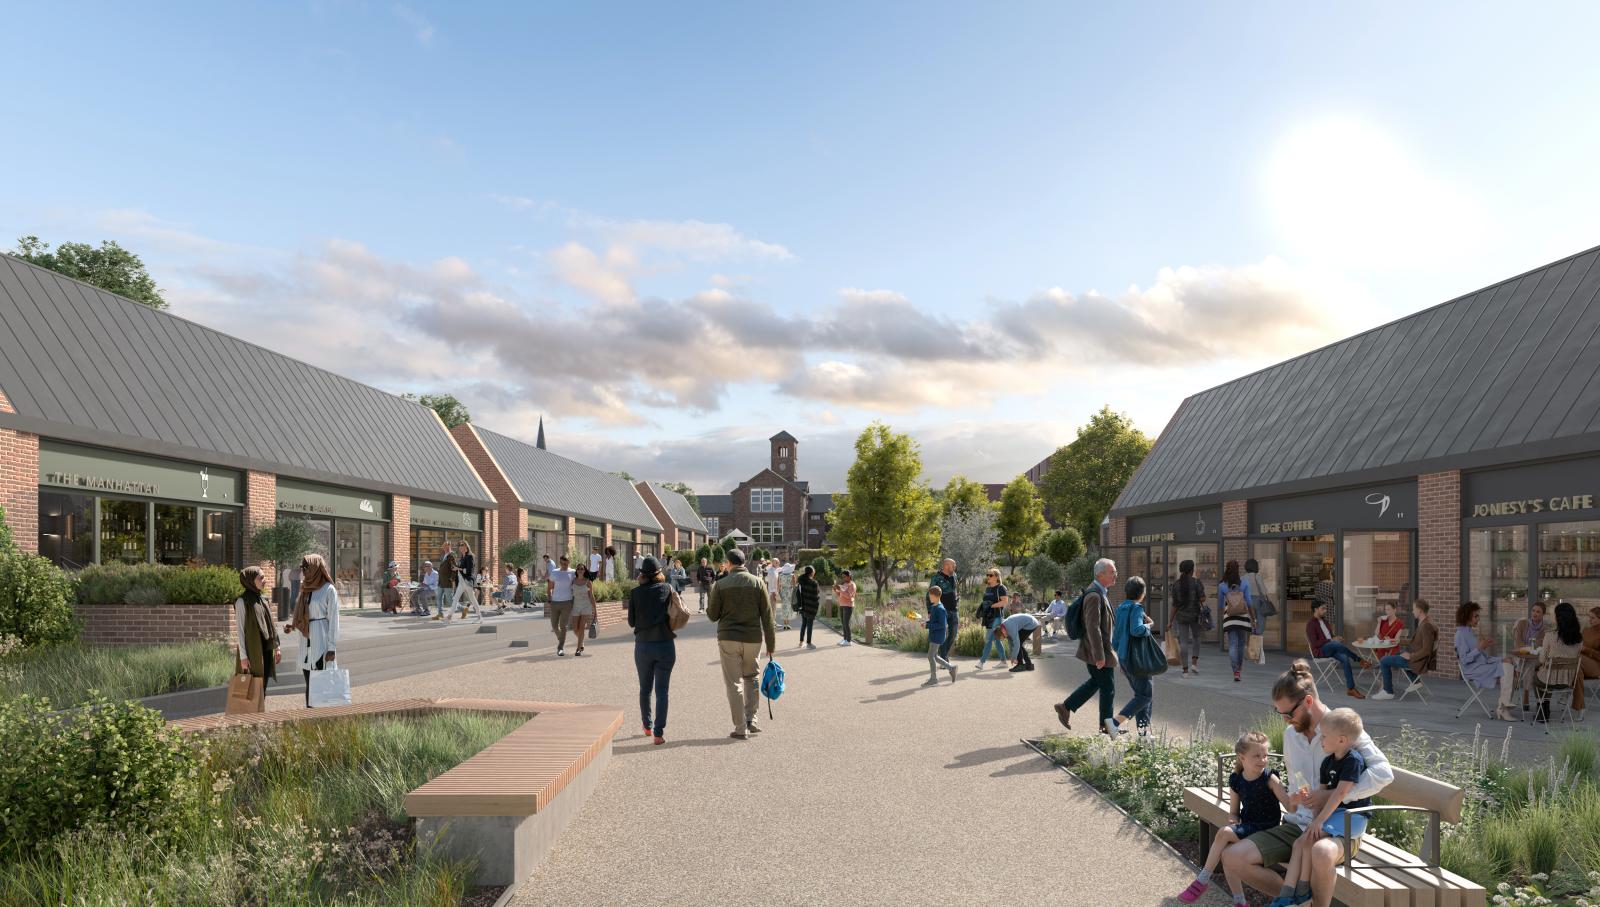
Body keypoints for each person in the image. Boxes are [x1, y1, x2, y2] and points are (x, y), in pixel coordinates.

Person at [1220, 661, 1393, 907]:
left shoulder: (1342, 727)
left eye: (1289, 714)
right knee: (1233, 858)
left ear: (1308, 702)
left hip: (1338, 827)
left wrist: (1335, 795)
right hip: (1299, 823)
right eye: (1280, 714)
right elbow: (1298, 778)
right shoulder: (1292, 735)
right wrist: (1297, 797)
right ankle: (1296, 900)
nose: (1286, 721)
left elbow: (1384, 773)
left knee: (1321, 852)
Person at [1269, 708, 1373, 907]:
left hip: (1351, 817)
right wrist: (1313, 820)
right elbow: (1321, 798)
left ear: (1341, 740)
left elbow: (1339, 794)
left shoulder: (1353, 761)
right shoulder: (1327, 762)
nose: (1321, 740)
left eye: (1324, 736)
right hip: (1331, 815)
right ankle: (1286, 895)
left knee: (1309, 842)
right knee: (1301, 842)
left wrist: (1319, 822)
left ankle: (1302, 893)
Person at [1179, 730, 1291, 903]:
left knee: (1224, 833)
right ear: (1242, 757)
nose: (1263, 760)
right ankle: (1240, 901)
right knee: (1227, 852)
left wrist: (1297, 799)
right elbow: (1233, 811)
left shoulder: (1270, 778)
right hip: (1248, 826)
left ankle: (1202, 880)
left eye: (1265, 755)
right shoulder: (1237, 780)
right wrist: (1233, 819)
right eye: (1257, 756)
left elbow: (1289, 805)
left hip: (1268, 829)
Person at [707, 549, 778, 739]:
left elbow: (712, 616)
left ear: (729, 563)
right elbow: (768, 617)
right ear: (744, 562)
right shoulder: (758, 583)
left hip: (729, 637)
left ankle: (740, 728)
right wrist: (771, 645)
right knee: (752, 677)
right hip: (752, 637)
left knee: (733, 683)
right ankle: (752, 719)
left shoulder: (720, 585)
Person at [1056, 558, 1119, 736]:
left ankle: (1066, 707)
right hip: (1097, 651)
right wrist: (1099, 655)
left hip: (1098, 649)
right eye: (1112, 572)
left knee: (1097, 683)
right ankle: (1106, 727)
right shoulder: (1094, 595)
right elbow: (1093, 627)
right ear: (1100, 574)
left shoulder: (1100, 592)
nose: (1116, 575)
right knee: (1108, 688)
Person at [628, 556, 677, 745]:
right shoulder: (666, 588)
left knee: (645, 689)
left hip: (643, 646)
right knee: (662, 690)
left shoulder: (635, 593)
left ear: (642, 574)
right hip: (665, 644)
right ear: (659, 572)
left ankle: (647, 725)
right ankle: (658, 733)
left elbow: (632, 622)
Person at [286, 553, 341, 708]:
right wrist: (293, 625)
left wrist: (332, 648)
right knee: (309, 682)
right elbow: (302, 613)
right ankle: (310, 716)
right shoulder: (306, 588)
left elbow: (334, 620)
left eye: (306, 567)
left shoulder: (329, 589)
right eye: (301, 567)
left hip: (321, 640)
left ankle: (321, 718)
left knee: (320, 682)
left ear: (316, 568)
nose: (303, 571)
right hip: (306, 639)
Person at [1454, 601, 1517, 721]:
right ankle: (1504, 708)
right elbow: (1465, 660)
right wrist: (1479, 648)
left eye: (1478, 616)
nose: (1478, 619)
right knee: (1507, 667)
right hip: (1472, 670)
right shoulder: (1460, 635)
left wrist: (1501, 659)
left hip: (1481, 666)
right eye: (1475, 616)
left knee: (1508, 664)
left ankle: (1504, 706)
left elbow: (1485, 658)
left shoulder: (1470, 633)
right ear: (1467, 616)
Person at [1109, 576, 1155, 736]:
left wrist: (1122, 657)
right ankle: (1114, 723)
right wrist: (1148, 626)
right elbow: (1137, 630)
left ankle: (1144, 734)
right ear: (1142, 593)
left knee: (1142, 694)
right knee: (1145, 696)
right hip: (1138, 659)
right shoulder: (1136, 608)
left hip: (1124, 657)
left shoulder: (1121, 608)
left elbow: (1115, 639)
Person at [1372, 599, 1436, 699]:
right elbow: (1417, 643)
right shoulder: (1425, 623)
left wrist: (1410, 656)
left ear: (1420, 611)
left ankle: (1388, 691)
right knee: (1398, 654)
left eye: (1414, 609)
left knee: (1384, 660)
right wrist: (1400, 642)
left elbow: (1427, 650)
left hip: (1418, 661)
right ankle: (1416, 681)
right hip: (1417, 658)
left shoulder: (1426, 625)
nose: (1412, 611)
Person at [234, 566, 281, 702]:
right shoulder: (242, 602)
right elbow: (240, 632)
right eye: (261, 578)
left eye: (264, 577)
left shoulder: (263, 599)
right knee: (252, 689)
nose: (264, 580)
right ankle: (250, 719)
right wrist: (243, 657)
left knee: (262, 686)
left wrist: (277, 648)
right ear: (250, 581)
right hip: (252, 652)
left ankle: (259, 717)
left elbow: (271, 625)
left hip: (265, 649)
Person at [1533, 601, 1585, 720]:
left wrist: (1540, 666)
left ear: (1559, 618)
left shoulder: (1550, 636)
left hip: (1549, 681)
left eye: (1554, 614)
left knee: (1536, 675)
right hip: (1568, 681)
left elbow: (1541, 659)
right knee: (1545, 674)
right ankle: (1544, 708)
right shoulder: (1579, 638)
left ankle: (1543, 708)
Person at [1306, 600, 1365, 699]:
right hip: (1320, 651)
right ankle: (1359, 660)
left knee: (1345, 659)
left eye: (1325, 608)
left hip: (1331, 648)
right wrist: (1331, 640)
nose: (1325, 611)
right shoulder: (1311, 624)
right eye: (1323, 609)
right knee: (1335, 644)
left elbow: (1330, 636)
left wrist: (1335, 637)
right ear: (1316, 609)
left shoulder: (1325, 621)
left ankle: (1351, 689)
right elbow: (1315, 643)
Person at [1169, 559, 1206, 676]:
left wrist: (1170, 621)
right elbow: (1202, 598)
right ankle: (1194, 664)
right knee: (1196, 637)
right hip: (1195, 615)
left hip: (1181, 616)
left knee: (1183, 642)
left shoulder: (1176, 585)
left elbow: (1174, 605)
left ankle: (1185, 670)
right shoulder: (1196, 582)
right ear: (1192, 570)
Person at [1219, 560, 1254, 683]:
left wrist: (1222, 619)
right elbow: (1249, 603)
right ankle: (1239, 667)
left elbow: (1220, 606)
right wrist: (1253, 619)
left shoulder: (1222, 585)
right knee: (1241, 644)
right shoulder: (1244, 584)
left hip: (1229, 618)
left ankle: (1235, 671)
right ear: (1238, 569)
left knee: (1232, 644)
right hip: (1243, 618)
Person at [922, 585, 957, 686]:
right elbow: (934, 621)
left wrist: (928, 626)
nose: (929, 598)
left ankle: (934, 679)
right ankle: (952, 668)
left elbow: (942, 625)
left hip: (938, 636)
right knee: (935, 656)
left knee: (930, 656)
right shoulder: (934, 607)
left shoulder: (941, 609)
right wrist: (926, 623)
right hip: (934, 634)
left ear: (936, 596)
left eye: (930, 596)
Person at [977, 568, 1010, 670]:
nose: (988, 577)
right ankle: (1004, 661)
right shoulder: (988, 588)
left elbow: (1005, 602)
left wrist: (992, 606)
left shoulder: (1001, 588)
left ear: (996, 577)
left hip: (997, 617)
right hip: (988, 617)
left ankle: (981, 662)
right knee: (996, 640)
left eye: (990, 575)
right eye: (987, 575)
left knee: (989, 639)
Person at [546, 554, 577, 656]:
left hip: (567, 602)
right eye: (562, 563)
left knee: (563, 625)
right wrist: (549, 599)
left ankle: (560, 648)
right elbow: (550, 587)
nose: (563, 564)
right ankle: (561, 638)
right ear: (560, 562)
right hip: (555, 602)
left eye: (565, 562)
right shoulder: (555, 572)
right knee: (554, 625)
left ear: (569, 562)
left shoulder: (573, 572)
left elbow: (578, 584)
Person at [931, 558, 961, 662]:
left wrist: (957, 601)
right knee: (943, 634)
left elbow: (955, 591)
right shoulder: (936, 578)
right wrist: (930, 611)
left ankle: (942, 656)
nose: (955, 567)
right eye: (954, 565)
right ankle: (944, 658)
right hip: (942, 610)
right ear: (947, 565)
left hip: (954, 610)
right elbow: (930, 595)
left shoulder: (954, 575)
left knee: (953, 634)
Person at [446, 541, 482, 624]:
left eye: (462, 545)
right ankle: (449, 617)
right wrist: (456, 568)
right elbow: (461, 568)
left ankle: (480, 616)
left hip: (467, 581)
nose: (460, 547)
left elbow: (469, 571)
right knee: (455, 598)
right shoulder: (462, 557)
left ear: (466, 547)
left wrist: (458, 569)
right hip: (461, 582)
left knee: (472, 599)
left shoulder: (470, 556)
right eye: (459, 546)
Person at [568, 566, 598, 656]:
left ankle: (578, 649)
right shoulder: (573, 581)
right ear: (576, 571)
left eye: (582, 569)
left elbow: (591, 596)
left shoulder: (588, 582)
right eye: (579, 569)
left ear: (584, 570)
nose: (580, 570)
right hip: (576, 606)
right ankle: (581, 642)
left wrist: (595, 611)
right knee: (574, 629)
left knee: (581, 627)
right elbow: (571, 595)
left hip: (586, 606)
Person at [794, 565, 821, 649]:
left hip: (803, 606)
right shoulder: (814, 583)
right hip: (811, 606)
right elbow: (816, 595)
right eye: (814, 571)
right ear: (812, 572)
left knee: (804, 624)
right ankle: (809, 643)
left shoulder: (801, 581)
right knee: (810, 625)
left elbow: (798, 594)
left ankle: (801, 642)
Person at [1581, 606, 1600, 712]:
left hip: (1597, 666)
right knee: (1577, 671)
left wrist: (1586, 650)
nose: (1590, 620)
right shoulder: (1586, 630)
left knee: (1576, 660)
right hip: (1582, 663)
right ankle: (1580, 708)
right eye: (1589, 617)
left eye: (1593, 618)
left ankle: (1565, 692)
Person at [433, 543, 457, 621]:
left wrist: (452, 579)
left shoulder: (452, 556)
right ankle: (440, 614)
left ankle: (463, 609)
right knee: (439, 598)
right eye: (443, 546)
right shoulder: (443, 555)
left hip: (447, 581)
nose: (445, 547)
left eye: (446, 546)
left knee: (450, 600)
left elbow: (454, 569)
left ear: (450, 546)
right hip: (441, 581)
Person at [833, 569, 857, 645]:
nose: (843, 578)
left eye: (844, 577)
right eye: (842, 577)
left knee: (846, 623)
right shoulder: (844, 584)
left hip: (848, 606)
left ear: (849, 576)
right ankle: (845, 639)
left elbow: (849, 596)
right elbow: (840, 595)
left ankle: (849, 641)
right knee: (843, 623)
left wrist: (841, 589)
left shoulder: (852, 585)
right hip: (842, 605)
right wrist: (835, 590)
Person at [766, 558, 790, 630]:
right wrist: (773, 593)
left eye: (779, 563)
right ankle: (772, 623)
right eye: (777, 563)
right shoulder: (772, 572)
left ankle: (773, 622)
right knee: (773, 608)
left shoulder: (774, 570)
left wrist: (790, 566)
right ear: (773, 563)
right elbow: (771, 583)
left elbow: (781, 569)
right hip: (772, 592)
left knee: (774, 608)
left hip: (773, 592)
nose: (778, 564)